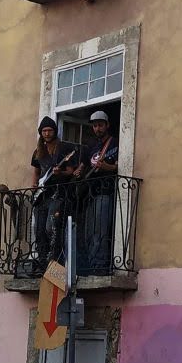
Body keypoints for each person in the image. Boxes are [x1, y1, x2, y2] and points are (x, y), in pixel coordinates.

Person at [28, 117, 78, 274]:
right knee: (39, 229)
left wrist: (60, 172)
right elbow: (36, 171)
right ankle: (42, 261)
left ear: (55, 131)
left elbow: (70, 171)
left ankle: (54, 260)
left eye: (49, 130)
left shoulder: (63, 149)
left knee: (51, 228)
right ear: (41, 133)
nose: (47, 133)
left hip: (57, 194)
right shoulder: (38, 151)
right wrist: (35, 184)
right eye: (44, 131)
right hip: (42, 195)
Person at [74, 110, 119, 274]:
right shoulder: (90, 147)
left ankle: (99, 265)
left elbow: (120, 166)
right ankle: (90, 263)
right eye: (94, 126)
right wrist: (78, 172)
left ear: (107, 125)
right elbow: (83, 165)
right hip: (90, 193)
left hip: (106, 191)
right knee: (89, 231)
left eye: (100, 125)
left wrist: (107, 167)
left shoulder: (115, 143)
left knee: (100, 229)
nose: (97, 128)